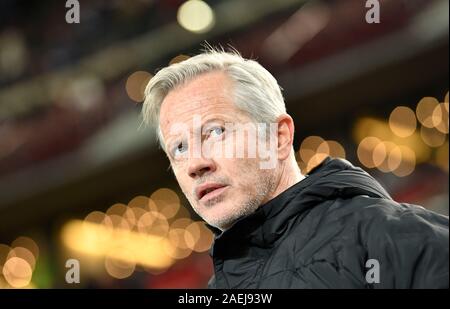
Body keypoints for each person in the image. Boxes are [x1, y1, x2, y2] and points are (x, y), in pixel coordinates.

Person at [142, 47, 449, 288]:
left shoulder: (393, 239)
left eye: (216, 132)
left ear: (278, 136)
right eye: (179, 148)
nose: (195, 164)